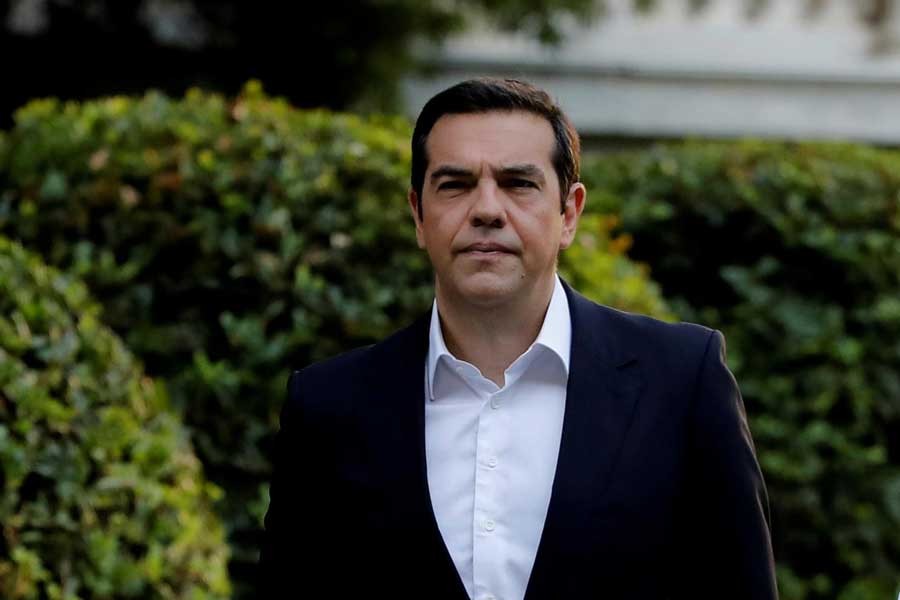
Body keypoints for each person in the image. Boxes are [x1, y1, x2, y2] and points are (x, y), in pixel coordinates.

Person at [258, 78, 778, 599]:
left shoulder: (682, 379)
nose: (487, 209)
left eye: (518, 183)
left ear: (569, 213)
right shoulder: (328, 405)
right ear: (418, 214)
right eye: (455, 184)